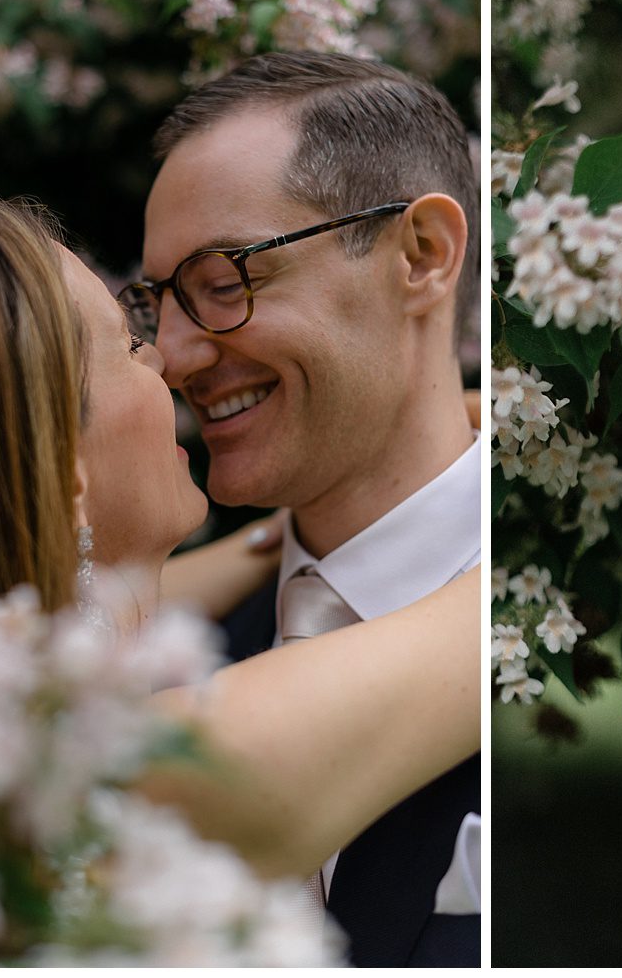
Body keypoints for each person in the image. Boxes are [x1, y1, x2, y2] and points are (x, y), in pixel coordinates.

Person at [0, 195, 479, 887]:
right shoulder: (118, 769)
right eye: (127, 344)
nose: (166, 361)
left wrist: (292, 531)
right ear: (63, 470)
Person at [134, 51, 480, 967]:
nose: (172, 355)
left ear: (422, 257)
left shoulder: (581, 633)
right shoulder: (164, 661)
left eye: (223, 281)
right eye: (160, 300)